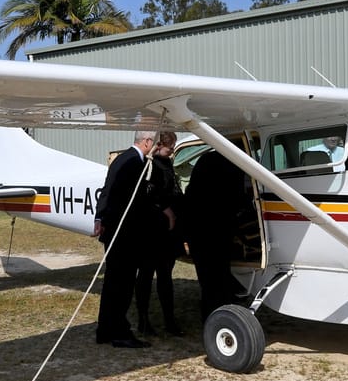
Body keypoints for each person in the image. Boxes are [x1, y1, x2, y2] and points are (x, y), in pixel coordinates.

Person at [92, 130, 159, 348]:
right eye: (155, 143)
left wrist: (99, 216)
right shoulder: (134, 163)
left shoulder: (122, 158)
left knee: (112, 284)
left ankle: (105, 330)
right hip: (124, 236)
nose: (156, 147)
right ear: (147, 142)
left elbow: (107, 191)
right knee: (122, 285)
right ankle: (120, 333)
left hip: (116, 232)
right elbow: (134, 201)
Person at [184, 147, 248, 321]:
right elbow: (238, 198)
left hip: (199, 228)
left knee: (207, 278)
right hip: (220, 228)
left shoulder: (205, 160)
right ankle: (223, 314)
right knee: (220, 274)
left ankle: (211, 316)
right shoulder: (235, 164)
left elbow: (190, 194)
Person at [134, 131, 185, 337]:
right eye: (170, 145)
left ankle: (169, 320)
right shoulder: (150, 164)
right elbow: (148, 194)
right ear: (159, 145)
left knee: (165, 275)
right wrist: (169, 212)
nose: (173, 149)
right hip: (152, 229)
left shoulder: (166, 163)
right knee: (146, 275)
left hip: (166, 232)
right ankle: (143, 320)